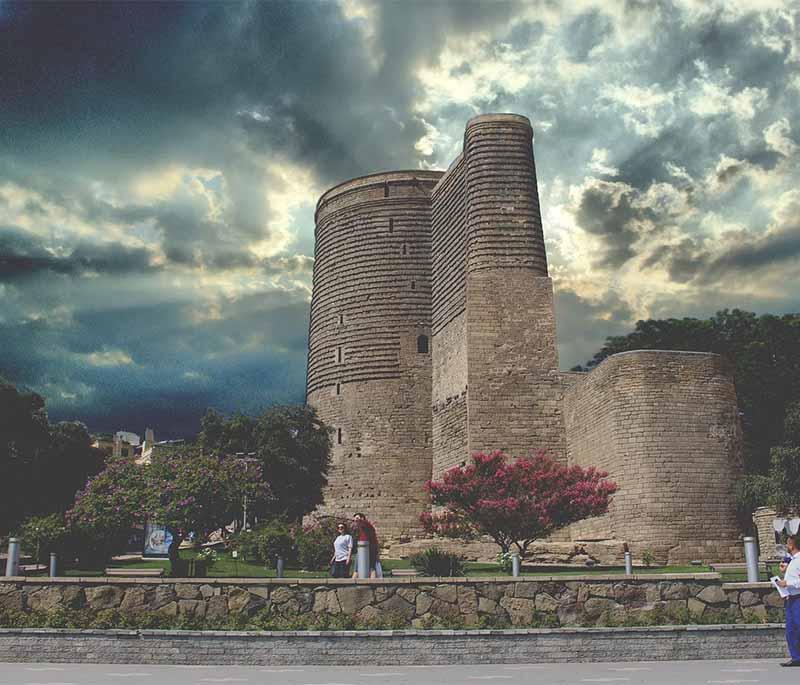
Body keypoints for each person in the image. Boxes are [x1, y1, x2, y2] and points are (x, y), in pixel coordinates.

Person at [776, 535, 800, 666]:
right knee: (791, 630)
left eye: (787, 543)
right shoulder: (791, 560)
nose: (786, 545)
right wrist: (784, 571)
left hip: (798, 599)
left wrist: (788, 583)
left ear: (792, 544)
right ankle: (796, 658)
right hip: (790, 599)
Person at [352, 512, 380, 578]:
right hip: (362, 548)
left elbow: (364, 523)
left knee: (372, 568)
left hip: (369, 549)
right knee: (356, 568)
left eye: (357, 519)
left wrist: (360, 520)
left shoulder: (367, 525)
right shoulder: (361, 528)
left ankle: (373, 583)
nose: (356, 521)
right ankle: (352, 583)